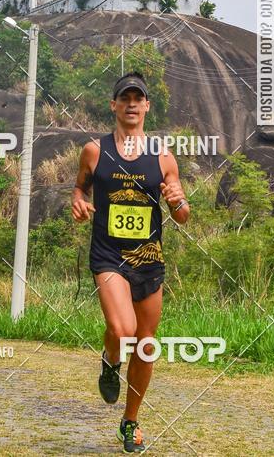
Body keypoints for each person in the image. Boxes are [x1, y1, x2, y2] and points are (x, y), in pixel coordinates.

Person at [71, 71, 190, 453]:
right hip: (108, 256)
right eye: (125, 98)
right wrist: (78, 199)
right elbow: (81, 185)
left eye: (139, 98)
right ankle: (110, 359)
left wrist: (177, 201)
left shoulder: (163, 156)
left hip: (149, 260)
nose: (132, 104)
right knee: (122, 331)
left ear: (147, 107)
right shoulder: (95, 151)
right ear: (115, 105)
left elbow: (183, 213)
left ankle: (131, 421)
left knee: (145, 345)